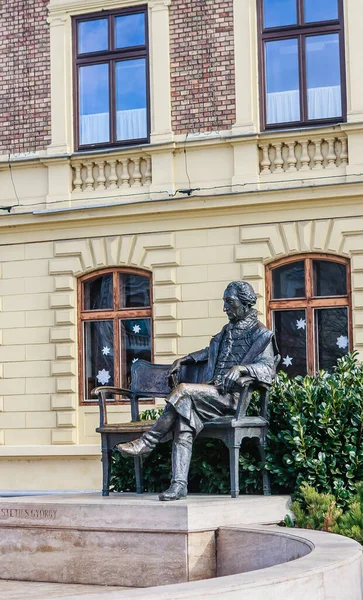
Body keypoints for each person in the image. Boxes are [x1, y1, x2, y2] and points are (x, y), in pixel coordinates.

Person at [118, 280, 278, 501]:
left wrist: (242, 368)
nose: (225, 308)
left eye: (229, 302)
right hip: (211, 395)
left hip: (231, 399)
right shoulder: (227, 330)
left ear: (245, 303)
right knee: (184, 422)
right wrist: (184, 360)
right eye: (225, 302)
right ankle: (179, 485)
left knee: (183, 390)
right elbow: (209, 351)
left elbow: (268, 370)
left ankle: (148, 442)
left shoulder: (261, 335)